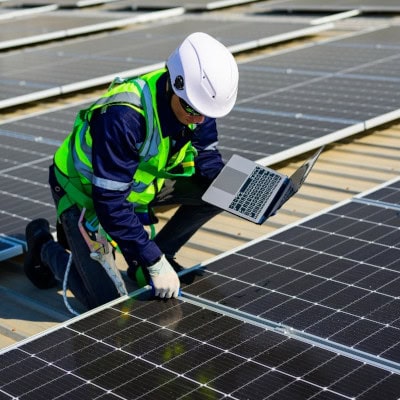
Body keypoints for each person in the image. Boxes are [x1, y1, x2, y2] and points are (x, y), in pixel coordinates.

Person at [23, 32, 239, 311]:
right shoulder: (124, 117)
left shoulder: (198, 105)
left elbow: (207, 158)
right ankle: (43, 244)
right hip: (84, 192)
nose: (198, 119)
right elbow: (110, 204)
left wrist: (244, 193)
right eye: (191, 109)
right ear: (173, 85)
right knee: (104, 303)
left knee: (220, 192)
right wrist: (154, 261)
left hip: (134, 188)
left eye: (206, 113)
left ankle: (149, 258)